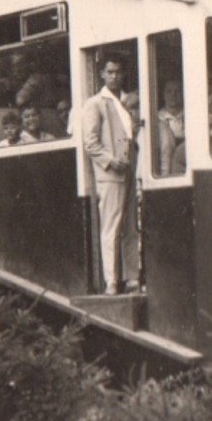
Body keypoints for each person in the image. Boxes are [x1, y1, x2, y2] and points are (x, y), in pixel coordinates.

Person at [81, 54, 139, 295]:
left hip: (129, 171)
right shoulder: (95, 103)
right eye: (110, 72)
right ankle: (111, 281)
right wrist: (110, 161)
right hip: (110, 174)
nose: (115, 76)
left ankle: (132, 277)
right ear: (102, 74)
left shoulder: (125, 102)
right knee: (111, 227)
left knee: (130, 226)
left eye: (118, 72)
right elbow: (90, 142)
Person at [157, 79, 186, 177]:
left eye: (177, 91)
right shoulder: (157, 118)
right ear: (163, 94)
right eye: (169, 91)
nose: (173, 95)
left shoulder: (189, 115)